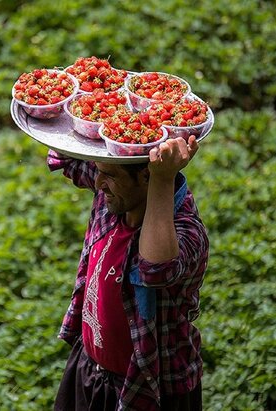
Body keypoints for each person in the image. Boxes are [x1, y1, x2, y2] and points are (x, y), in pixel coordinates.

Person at [48, 135, 209, 411]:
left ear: (147, 176)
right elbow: (65, 155)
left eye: (108, 174)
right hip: (90, 370)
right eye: (99, 172)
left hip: (148, 389)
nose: (98, 184)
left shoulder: (188, 233)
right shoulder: (118, 195)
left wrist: (163, 178)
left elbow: (155, 269)